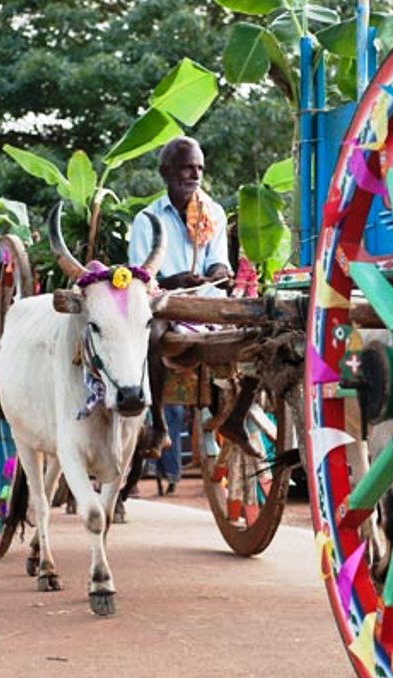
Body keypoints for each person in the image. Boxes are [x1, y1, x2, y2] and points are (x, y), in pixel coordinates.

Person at [128, 137, 234, 480]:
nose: (195, 174)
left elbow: (219, 261)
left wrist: (218, 273)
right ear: (166, 171)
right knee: (151, 334)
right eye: (188, 167)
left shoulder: (213, 213)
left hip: (207, 307)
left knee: (251, 338)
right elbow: (141, 278)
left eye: (199, 168)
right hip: (165, 306)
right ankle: (159, 423)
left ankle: (232, 416)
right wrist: (174, 282)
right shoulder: (147, 220)